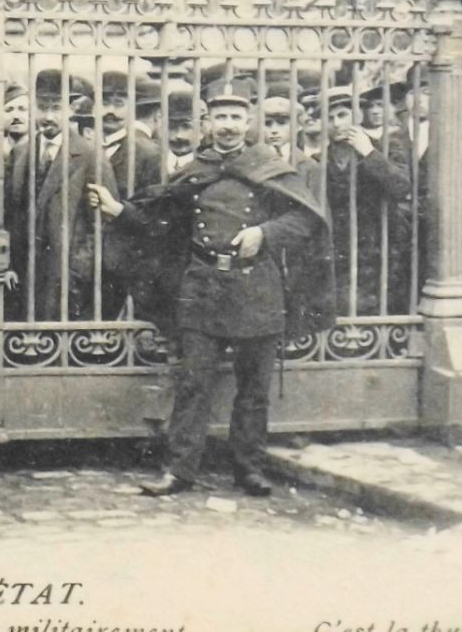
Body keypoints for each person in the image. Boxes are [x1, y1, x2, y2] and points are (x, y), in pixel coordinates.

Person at [89, 77, 329, 497]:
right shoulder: (193, 171)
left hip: (257, 288)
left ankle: (248, 468)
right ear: (208, 122)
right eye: (221, 117)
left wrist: (264, 234)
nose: (228, 125)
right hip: (202, 287)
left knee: (253, 389)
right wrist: (119, 212)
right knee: (193, 383)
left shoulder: (269, 166)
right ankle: (179, 471)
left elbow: (306, 220)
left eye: (236, 117)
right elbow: (160, 224)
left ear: (248, 121)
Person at [3, 70, 118, 322]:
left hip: (66, 278)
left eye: (55, 108)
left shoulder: (90, 156)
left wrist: (78, 269)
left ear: (70, 109)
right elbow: (11, 213)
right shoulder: (21, 153)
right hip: (24, 274)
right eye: (42, 107)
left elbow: (103, 224)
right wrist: (10, 263)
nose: (48, 116)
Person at [319, 88, 413, 317]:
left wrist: (369, 152)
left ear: (357, 116)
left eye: (342, 115)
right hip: (339, 248)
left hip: (378, 246)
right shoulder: (319, 159)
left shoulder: (387, 147)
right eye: (330, 118)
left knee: (377, 312)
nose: (336, 124)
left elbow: (401, 186)